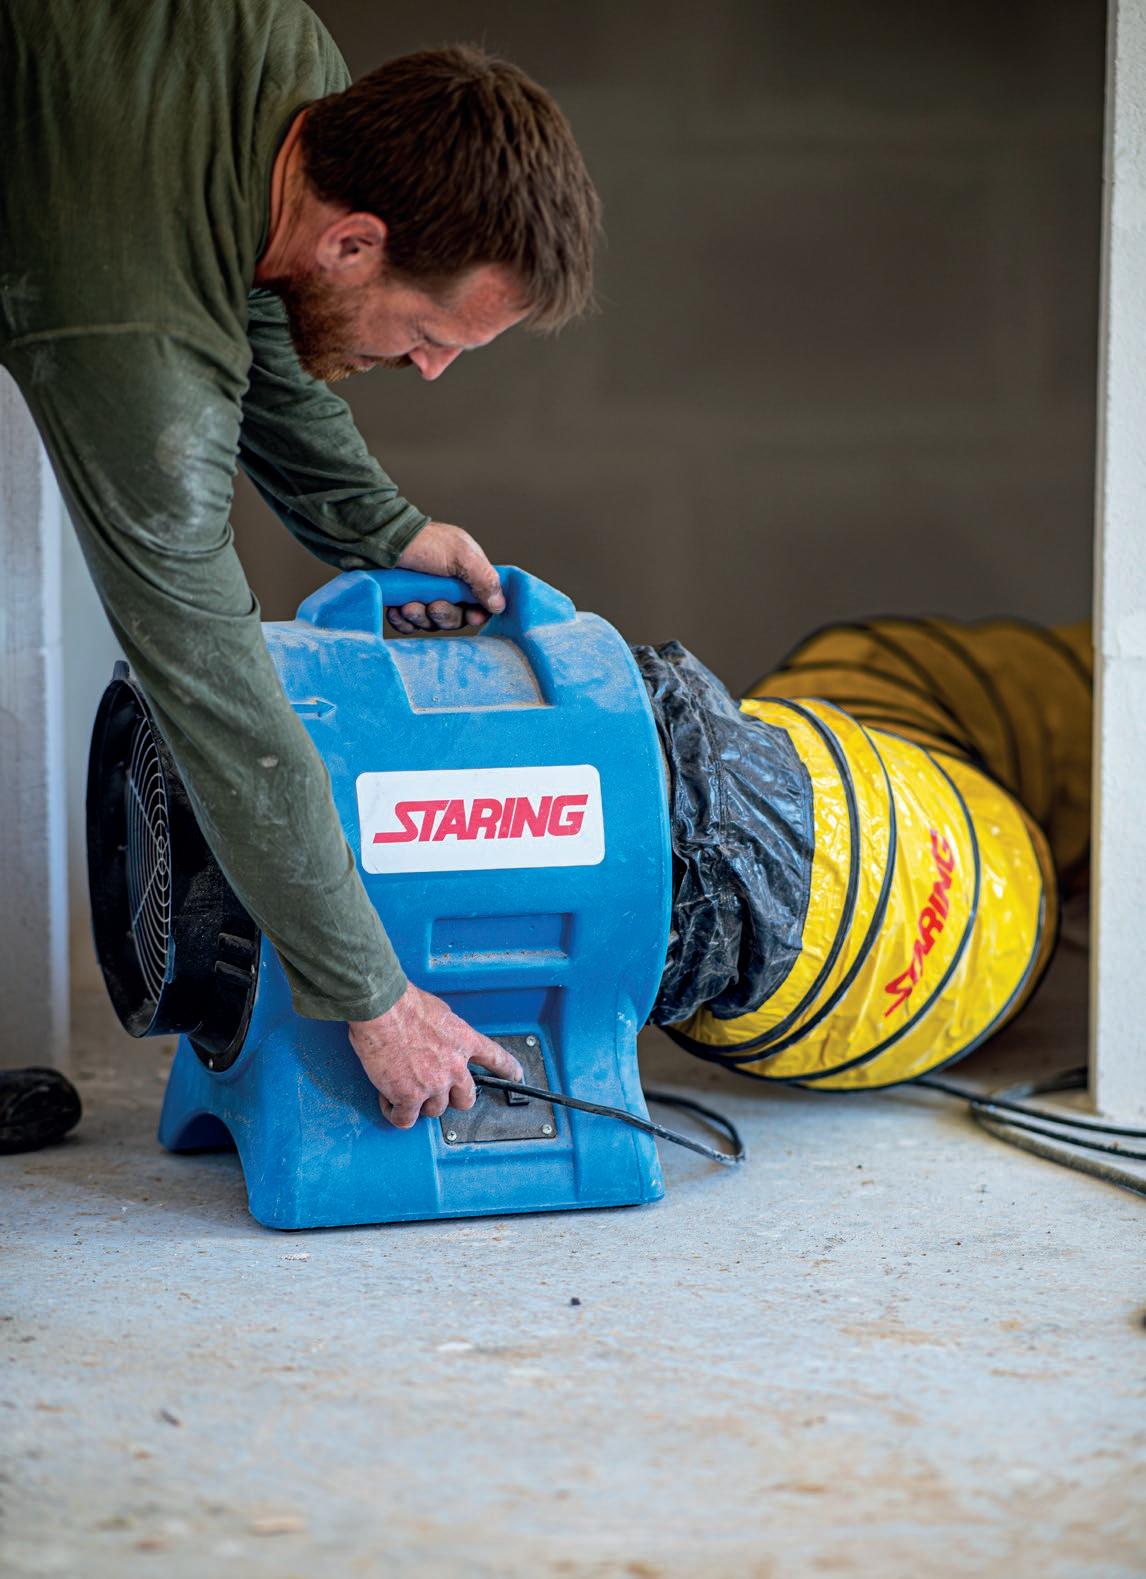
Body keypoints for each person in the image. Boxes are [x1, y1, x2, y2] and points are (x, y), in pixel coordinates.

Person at [0, 0, 603, 1146]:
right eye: (432, 333)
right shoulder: (133, 321)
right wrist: (374, 996)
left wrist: (386, 528)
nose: (429, 369)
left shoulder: (294, 78)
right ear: (355, 243)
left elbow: (264, 312)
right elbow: (205, 671)